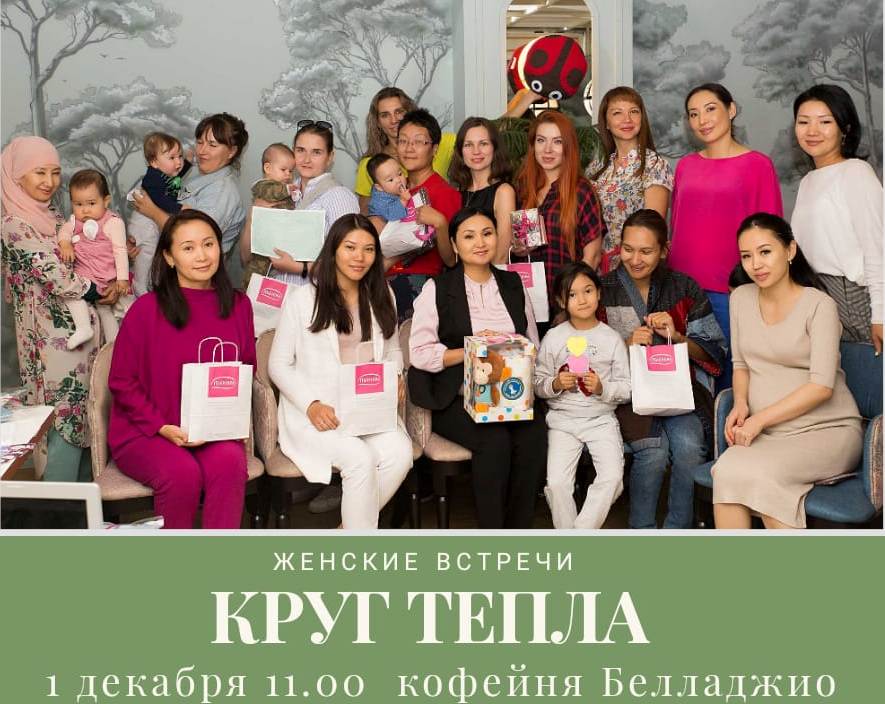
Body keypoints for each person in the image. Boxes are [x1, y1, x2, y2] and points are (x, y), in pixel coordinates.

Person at [712, 213, 862, 529]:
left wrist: (758, 420)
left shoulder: (819, 306)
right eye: (746, 256)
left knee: (763, 477)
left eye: (765, 251)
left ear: (790, 250)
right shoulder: (740, 299)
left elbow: (821, 387)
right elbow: (740, 364)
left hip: (826, 431)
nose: (756, 264)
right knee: (725, 471)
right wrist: (741, 404)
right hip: (769, 433)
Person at [108, 209, 256, 529]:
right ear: (169, 257)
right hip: (149, 430)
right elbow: (121, 381)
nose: (201, 256)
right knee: (181, 474)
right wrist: (161, 426)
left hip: (212, 430)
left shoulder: (239, 305)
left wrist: (219, 424)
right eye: (188, 248)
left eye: (208, 244)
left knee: (230, 464)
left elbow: (246, 369)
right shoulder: (146, 309)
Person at [268, 213, 413, 529]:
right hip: (318, 414)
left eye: (368, 249)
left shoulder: (382, 295)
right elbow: (278, 364)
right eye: (350, 247)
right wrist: (311, 405)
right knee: (359, 458)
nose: (359, 257)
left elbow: (392, 350)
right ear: (333, 249)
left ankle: (347, 532)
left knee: (401, 453)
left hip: (367, 409)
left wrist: (397, 374)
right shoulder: (303, 300)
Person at [409, 208, 546, 529]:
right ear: (455, 245)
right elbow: (419, 353)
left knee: (534, 435)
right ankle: (492, 534)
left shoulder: (513, 283)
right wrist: (472, 349)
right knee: (494, 441)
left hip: (510, 393)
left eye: (487, 233)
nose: (480, 243)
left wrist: (509, 347)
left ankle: (519, 531)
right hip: (455, 397)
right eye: (469, 236)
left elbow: (532, 343)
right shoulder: (438, 288)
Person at [599, 209, 727, 529]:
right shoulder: (602, 289)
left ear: (664, 250)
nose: (635, 259)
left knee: (689, 447)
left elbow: (714, 351)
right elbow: (588, 355)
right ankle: (641, 531)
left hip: (677, 393)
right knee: (653, 451)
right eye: (628, 249)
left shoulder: (684, 287)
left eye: (646, 251)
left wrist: (678, 337)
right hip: (627, 394)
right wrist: (626, 343)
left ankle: (676, 531)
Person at [1, 136, 119, 481]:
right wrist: (97, 289)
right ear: (17, 175)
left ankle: (83, 507)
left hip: (84, 339)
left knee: (86, 419)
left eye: (55, 172)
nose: (49, 182)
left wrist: (113, 269)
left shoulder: (54, 216)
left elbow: (87, 256)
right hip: (50, 346)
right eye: (39, 172)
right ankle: (58, 509)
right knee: (61, 422)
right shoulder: (13, 224)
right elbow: (52, 272)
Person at [668, 84, 782, 367]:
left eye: (710, 109)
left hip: (731, 289)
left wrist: (752, 283)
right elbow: (676, 226)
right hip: (681, 289)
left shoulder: (758, 165)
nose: (702, 120)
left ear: (731, 110)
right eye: (693, 114)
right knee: (684, 374)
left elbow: (771, 234)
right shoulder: (685, 166)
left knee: (732, 370)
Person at [535, 262, 630, 529]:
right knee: (556, 484)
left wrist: (602, 388)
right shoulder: (554, 337)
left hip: (601, 420)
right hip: (562, 421)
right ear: (561, 301)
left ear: (599, 293)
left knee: (612, 478)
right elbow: (538, 383)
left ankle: (579, 534)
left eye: (588, 291)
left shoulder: (612, 339)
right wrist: (555, 383)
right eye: (572, 294)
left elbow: (626, 388)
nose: (582, 299)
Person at [791, 84, 883, 354]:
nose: (812, 131)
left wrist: (880, 314)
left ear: (846, 128)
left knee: (869, 375)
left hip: (854, 296)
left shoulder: (856, 172)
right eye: (803, 122)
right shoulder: (808, 181)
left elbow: (877, 247)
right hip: (817, 294)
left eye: (825, 122)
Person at [132, 112, 249, 286]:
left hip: (194, 283)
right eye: (200, 142)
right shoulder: (197, 173)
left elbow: (193, 238)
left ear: (232, 151)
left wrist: (153, 212)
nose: (201, 151)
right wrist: (139, 239)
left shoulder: (222, 192)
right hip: (169, 270)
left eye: (212, 145)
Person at [241, 121, 359, 288]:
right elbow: (245, 257)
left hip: (314, 297)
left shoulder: (339, 197)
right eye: (300, 150)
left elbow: (351, 261)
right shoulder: (278, 192)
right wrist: (253, 217)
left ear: (330, 157)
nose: (306, 159)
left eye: (316, 152)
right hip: (271, 294)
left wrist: (298, 267)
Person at [514, 110, 605, 318]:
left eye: (557, 141)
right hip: (527, 304)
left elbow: (592, 257)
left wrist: (569, 305)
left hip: (567, 306)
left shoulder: (581, 191)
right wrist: (518, 248)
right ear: (533, 145)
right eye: (541, 140)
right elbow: (516, 247)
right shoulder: (522, 189)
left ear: (568, 147)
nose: (547, 149)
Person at [585, 87, 673, 274]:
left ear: (642, 118)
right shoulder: (597, 168)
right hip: (599, 268)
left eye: (634, 111)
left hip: (636, 267)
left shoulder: (654, 164)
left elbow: (653, 229)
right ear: (606, 123)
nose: (627, 119)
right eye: (617, 113)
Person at [388, 109, 461, 321]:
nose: (409, 148)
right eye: (403, 141)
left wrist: (440, 223)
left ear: (434, 149)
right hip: (384, 283)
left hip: (419, 285)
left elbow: (451, 260)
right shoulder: (392, 190)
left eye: (419, 142)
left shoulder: (445, 193)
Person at [58, 169, 131, 349]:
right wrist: (65, 244)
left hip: (107, 276)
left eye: (91, 203)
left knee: (107, 308)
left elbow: (120, 250)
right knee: (77, 297)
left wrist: (122, 278)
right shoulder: (74, 222)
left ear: (106, 201)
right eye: (78, 204)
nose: (85, 210)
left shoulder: (113, 222)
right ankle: (89, 331)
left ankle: (115, 345)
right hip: (85, 275)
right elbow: (64, 232)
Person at [355, 87, 456, 213]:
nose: (393, 120)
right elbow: (367, 214)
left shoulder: (441, 142)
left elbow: (475, 146)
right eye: (385, 115)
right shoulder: (371, 164)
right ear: (378, 122)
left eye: (399, 111)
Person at [128, 132, 191, 296]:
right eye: (172, 158)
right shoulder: (152, 178)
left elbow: (176, 176)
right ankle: (140, 288)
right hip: (143, 224)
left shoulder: (164, 175)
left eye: (180, 156)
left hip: (150, 222)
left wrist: (188, 163)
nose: (178, 162)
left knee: (154, 256)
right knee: (146, 257)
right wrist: (178, 208)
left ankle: (149, 286)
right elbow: (158, 199)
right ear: (154, 162)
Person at [447, 117, 516, 263]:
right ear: (460, 151)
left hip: (491, 275)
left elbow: (501, 255)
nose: (476, 151)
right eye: (468, 145)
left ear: (494, 148)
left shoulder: (504, 192)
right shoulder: (457, 191)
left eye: (483, 144)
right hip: (460, 274)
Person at [365, 152, 412, 231]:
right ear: (379, 187)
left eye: (400, 174)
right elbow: (391, 215)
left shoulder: (393, 188)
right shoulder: (379, 201)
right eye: (391, 180)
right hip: (386, 231)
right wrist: (403, 200)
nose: (398, 180)